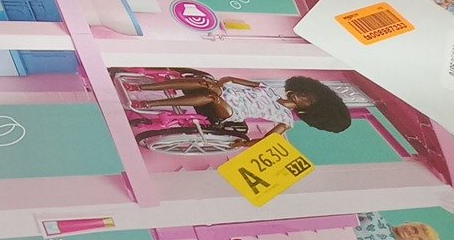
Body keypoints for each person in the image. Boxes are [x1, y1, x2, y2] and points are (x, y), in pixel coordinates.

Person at [124, 74, 352, 147]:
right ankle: (141, 88)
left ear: (310, 110)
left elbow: (267, 141)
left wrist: (244, 143)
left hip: (230, 110)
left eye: (306, 100)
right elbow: (240, 81)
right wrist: (225, 80)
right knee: (205, 84)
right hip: (227, 94)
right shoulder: (270, 90)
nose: (300, 96)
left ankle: (148, 105)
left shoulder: (285, 119)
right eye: (303, 93)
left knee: (212, 96)